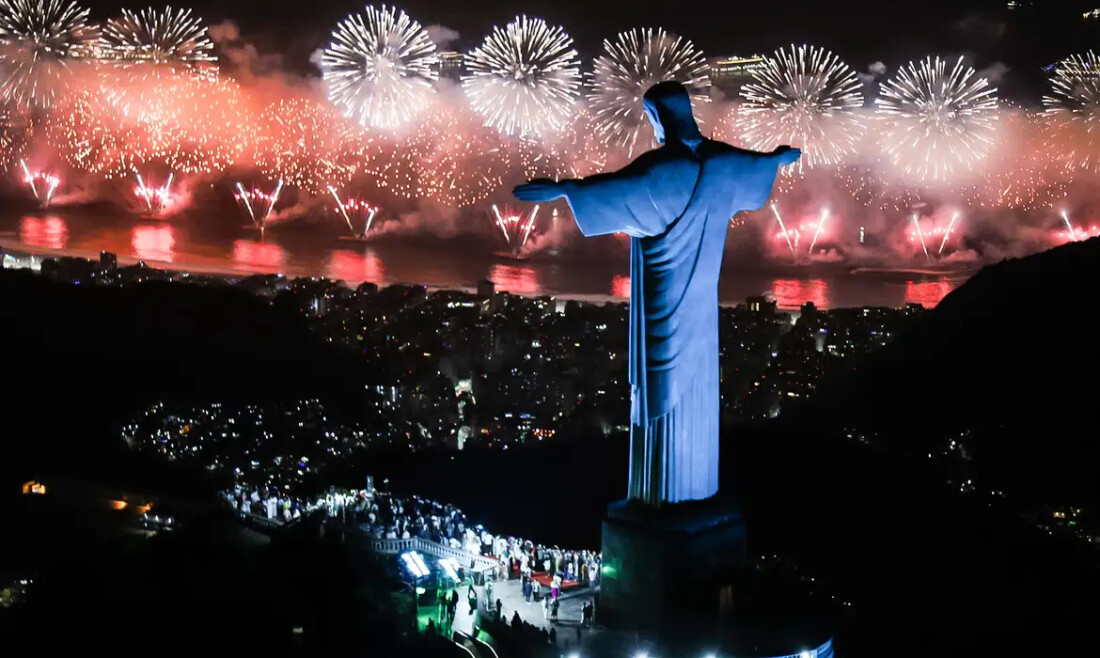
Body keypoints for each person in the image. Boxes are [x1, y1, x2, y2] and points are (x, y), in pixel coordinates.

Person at [514, 81, 799, 505]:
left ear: (657, 117)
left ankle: (661, 499)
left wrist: (564, 189)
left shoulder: (662, 172)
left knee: (659, 393)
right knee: (697, 391)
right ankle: (697, 491)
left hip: (663, 301)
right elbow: (758, 167)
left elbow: (614, 192)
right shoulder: (722, 162)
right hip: (704, 311)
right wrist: (778, 158)